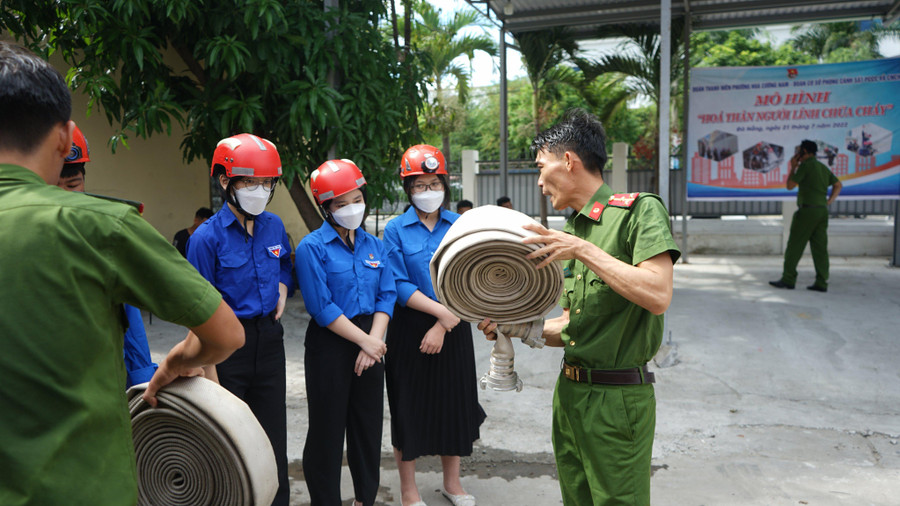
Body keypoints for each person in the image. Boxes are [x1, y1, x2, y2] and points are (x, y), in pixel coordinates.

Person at [0, 41, 244, 505]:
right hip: (87, 489)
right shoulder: (98, 225)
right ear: (64, 137)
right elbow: (225, 333)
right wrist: (176, 361)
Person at [478, 109, 680, 506]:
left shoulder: (637, 212)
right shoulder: (570, 232)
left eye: (541, 167)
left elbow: (658, 294)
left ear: (567, 161)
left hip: (618, 401)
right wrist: (518, 327)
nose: (538, 182)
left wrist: (585, 251)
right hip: (570, 394)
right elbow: (574, 325)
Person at [186, 133, 293, 506]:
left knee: (272, 436)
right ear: (225, 181)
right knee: (233, 438)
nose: (259, 190)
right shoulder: (205, 239)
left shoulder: (274, 226)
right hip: (226, 349)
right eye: (249, 181)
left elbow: (284, 265)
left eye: (266, 183)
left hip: (269, 341)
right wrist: (209, 369)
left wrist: (281, 287)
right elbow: (197, 311)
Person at [383, 144, 486, 506]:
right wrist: (438, 315)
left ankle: (453, 483)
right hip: (409, 328)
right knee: (408, 407)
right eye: (419, 186)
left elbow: (471, 278)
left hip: (455, 324)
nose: (428, 192)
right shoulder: (395, 230)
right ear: (408, 189)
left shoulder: (460, 225)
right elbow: (396, 283)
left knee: (453, 405)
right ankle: (409, 490)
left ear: (445, 184)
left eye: (434, 184)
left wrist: (444, 323)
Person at [295, 159, 395, 506]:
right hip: (331, 343)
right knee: (327, 429)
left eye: (356, 199)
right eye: (341, 204)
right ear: (326, 208)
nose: (352, 209)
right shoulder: (311, 248)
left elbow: (387, 294)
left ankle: (364, 499)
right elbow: (321, 307)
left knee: (367, 428)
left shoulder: (375, 245)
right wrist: (364, 341)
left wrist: (375, 341)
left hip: (373, 339)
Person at [56, 125, 159, 388]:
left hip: (101, 381)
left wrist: (141, 381)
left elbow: (131, 322)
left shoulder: (105, 235)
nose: (65, 194)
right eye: (55, 185)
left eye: (73, 184)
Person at [770, 139, 842, 292]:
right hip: (821, 211)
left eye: (800, 151)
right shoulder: (822, 167)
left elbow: (789, 186)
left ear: (805, 152)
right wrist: (829, 201)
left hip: (807, 211)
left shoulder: (805, 166)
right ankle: (822, 282)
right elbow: (838, 185)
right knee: (820, 248)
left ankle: (788, 278)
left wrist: (793, 167)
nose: (797, 154)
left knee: (794, 246)